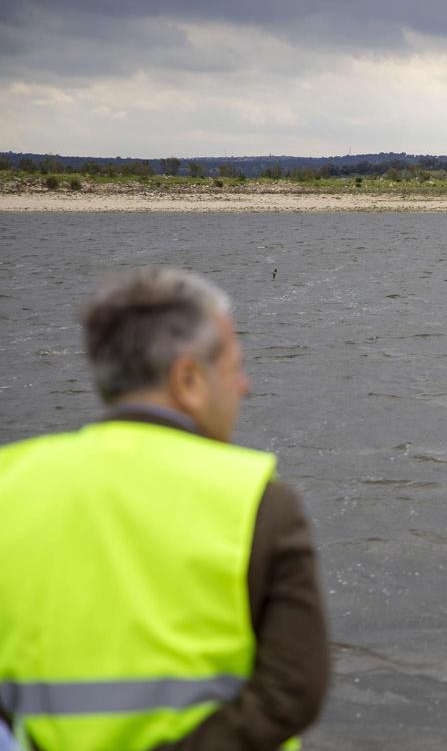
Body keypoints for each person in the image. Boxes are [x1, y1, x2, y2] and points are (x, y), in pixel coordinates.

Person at [0, 268, 329, 750]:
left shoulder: (12, 482)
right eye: (235, 368)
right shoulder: (258, 500)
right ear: (189, 379)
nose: (245, 386)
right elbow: (294, 689)